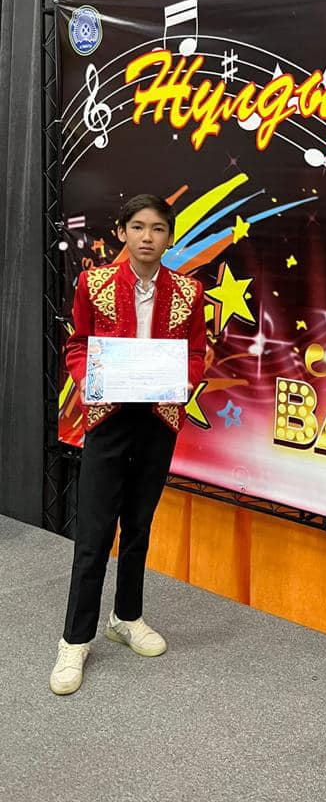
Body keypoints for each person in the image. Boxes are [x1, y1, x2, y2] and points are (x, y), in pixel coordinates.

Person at [49, 194, 206, 695]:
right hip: (109, 417)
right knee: (95, 531)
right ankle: (75, 640)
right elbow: (78, 345)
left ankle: (127, 616)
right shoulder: (93, 283)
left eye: (157, 228)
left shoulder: (189, 291)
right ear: (121, 232)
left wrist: (183, 380)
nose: (146, 237)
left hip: (158, 419)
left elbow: (197, 352)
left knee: (138, 525)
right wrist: (90, 378)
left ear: (169, 237)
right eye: (137, 226)